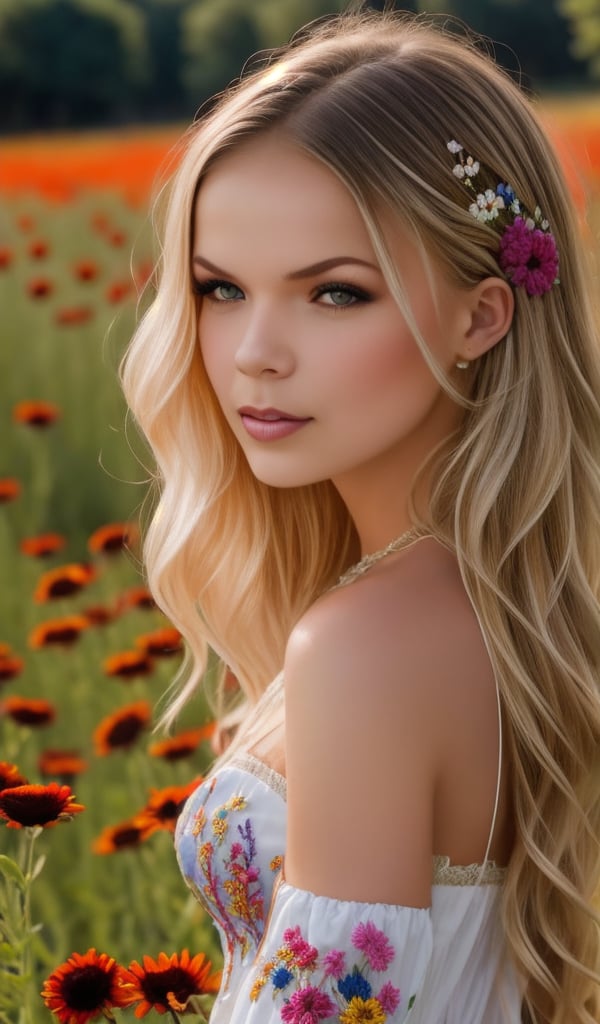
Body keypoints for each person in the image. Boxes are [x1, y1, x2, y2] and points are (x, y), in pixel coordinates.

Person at [120, 7, 600, 1023]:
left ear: (483, 313)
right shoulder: (514, 602)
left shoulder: (366, 644)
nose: (254, 351)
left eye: (333, 295)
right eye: (220, 289)